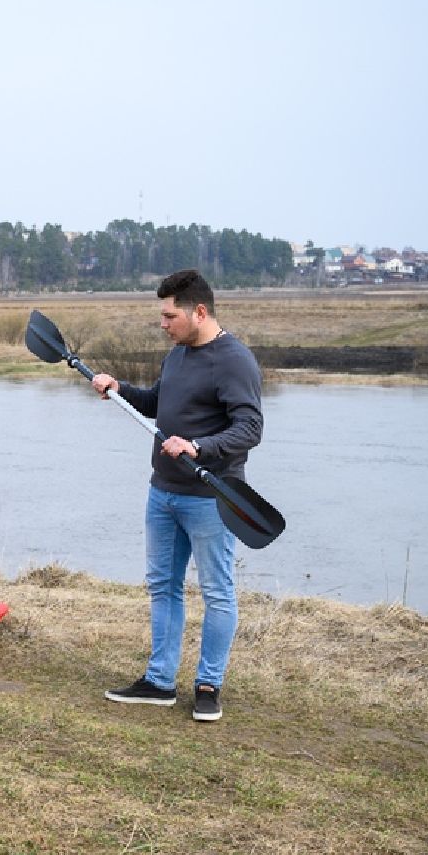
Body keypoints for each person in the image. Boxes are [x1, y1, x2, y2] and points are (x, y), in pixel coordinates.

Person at [88, 269, 263, 723]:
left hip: (211, 498)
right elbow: (157, 404)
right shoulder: (177, 355)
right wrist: (120, 390)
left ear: (198, 312)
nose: (163, 324)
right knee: (164, 587)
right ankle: (160, 681)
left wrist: (199, 447)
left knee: (217, 592)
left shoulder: (235, 360)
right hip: (162, 493)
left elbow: (250, 428)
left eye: (170, 316)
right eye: (162, 316)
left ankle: (208, 686)